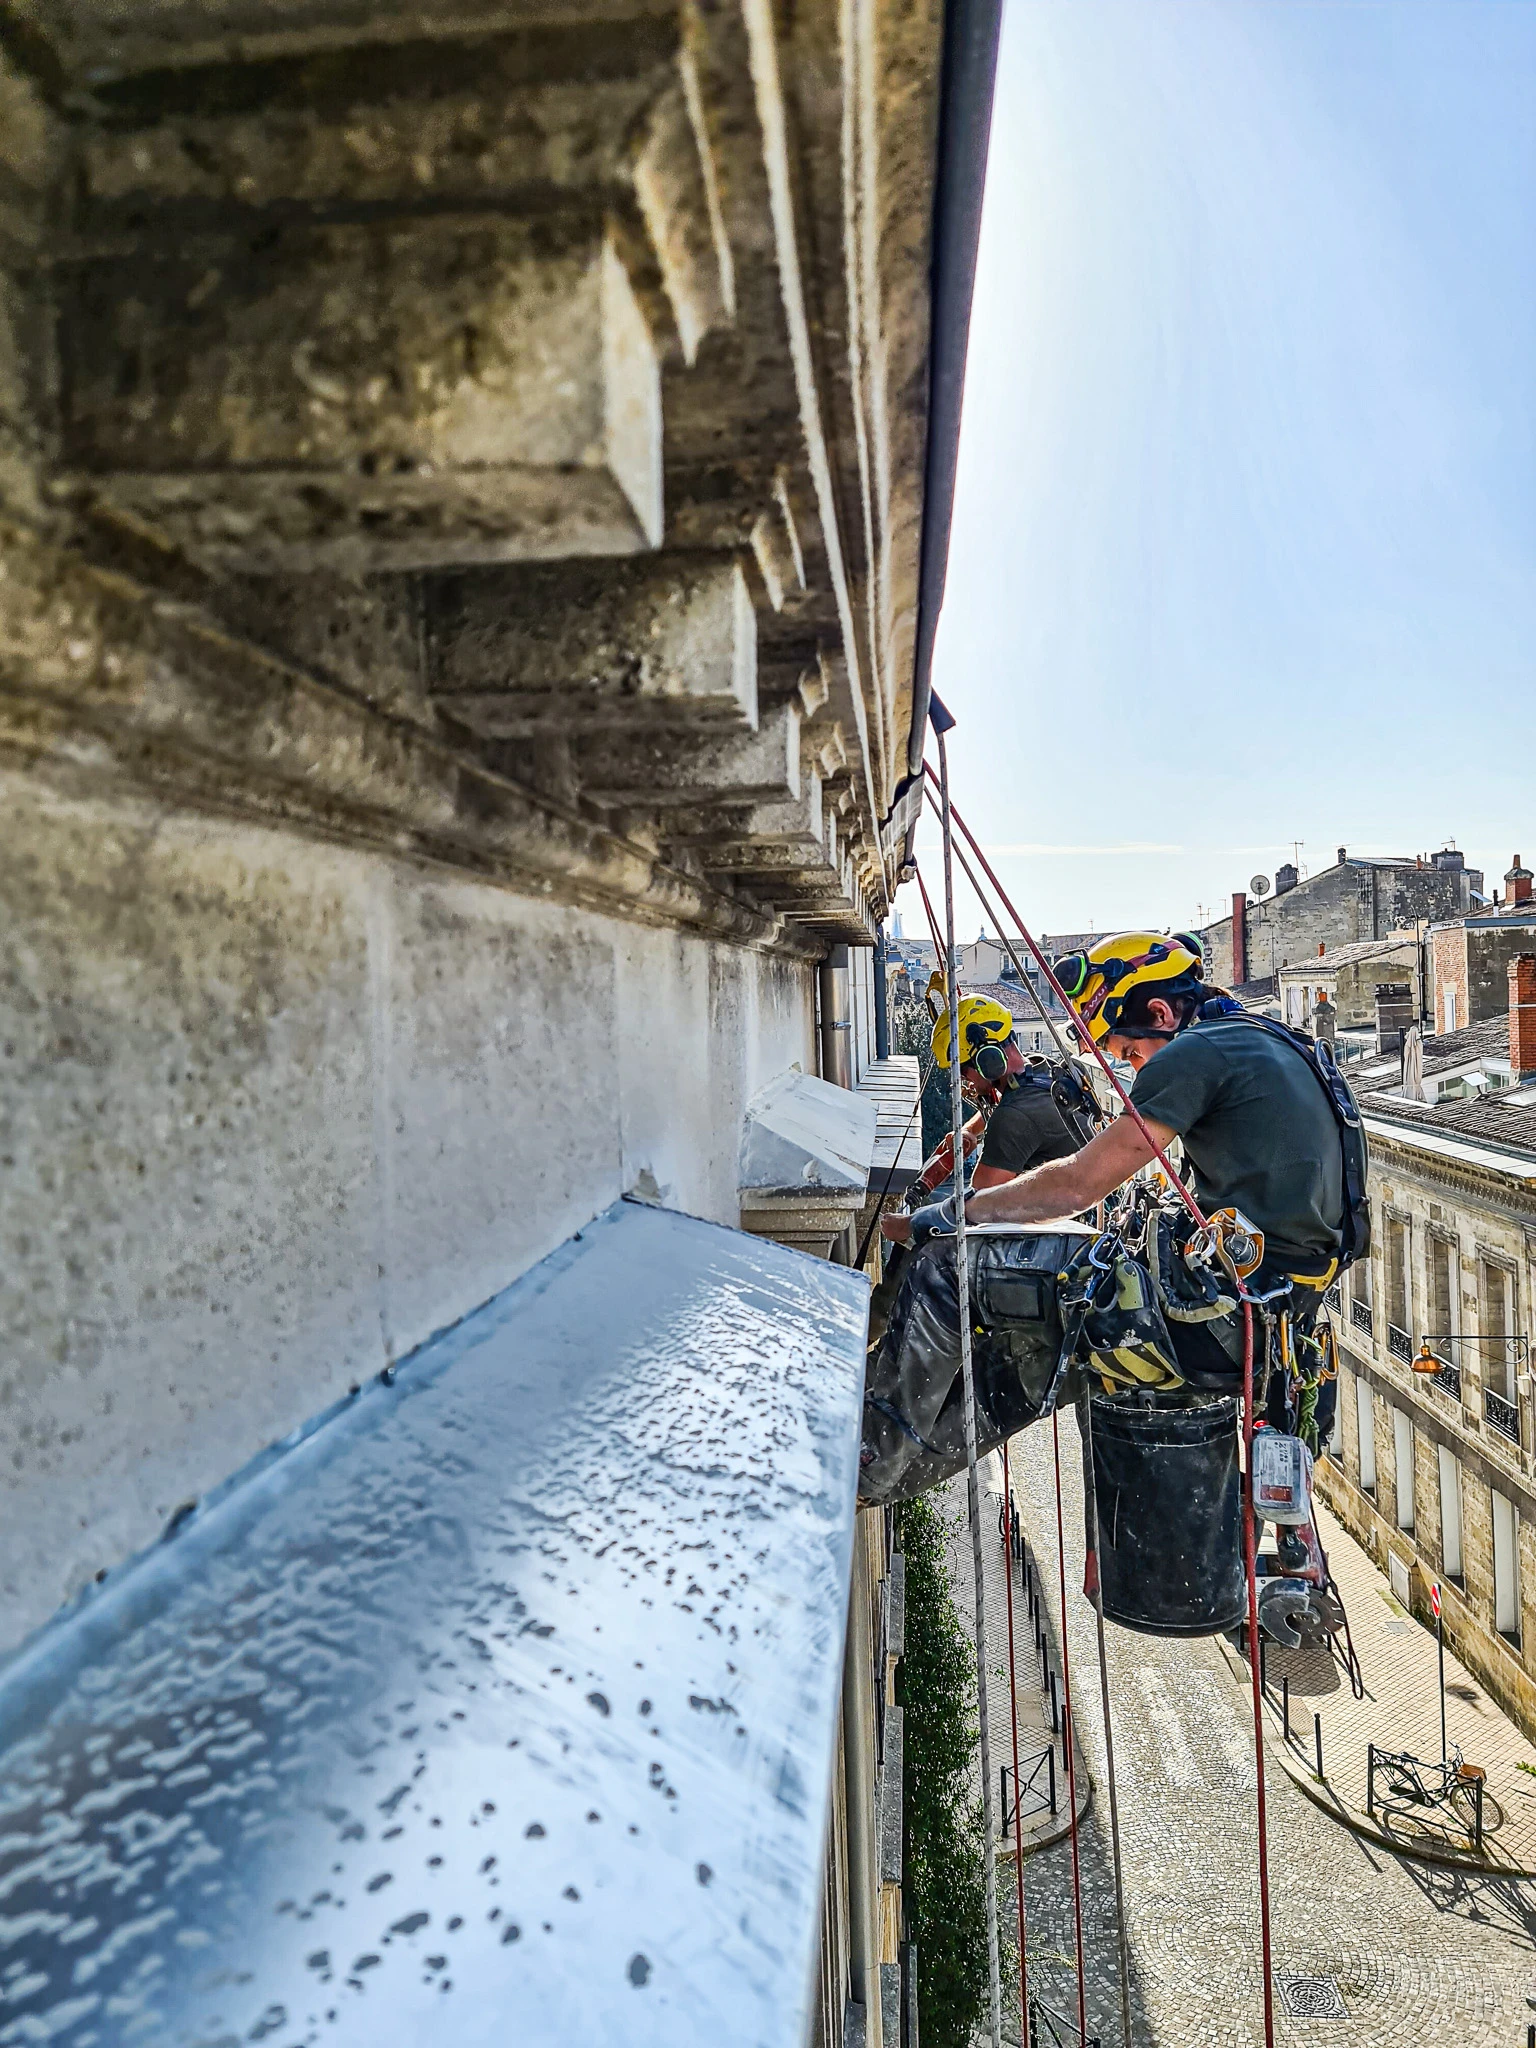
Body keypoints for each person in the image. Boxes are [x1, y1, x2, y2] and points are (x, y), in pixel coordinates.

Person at [883, 932, 1349, 1294]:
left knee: (969, 1287)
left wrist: (939, 1217)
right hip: (1291, 1280)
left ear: (1161, 1014)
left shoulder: (1193, 1055)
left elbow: (1076, 1186)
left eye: (1129, 1053)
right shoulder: (1257, 1032)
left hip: (1249, 1285)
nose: (1133, 1070)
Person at [908, 990, 1087, 1199]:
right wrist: (969, 1131)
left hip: (1064, 1215)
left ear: (987, 1060)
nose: (963, 1080)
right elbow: (1011, 1105)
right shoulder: (1040, 1068)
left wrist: (915, 1217)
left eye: (963, 1070)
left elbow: (978, 1202)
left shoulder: (1013, 1117)